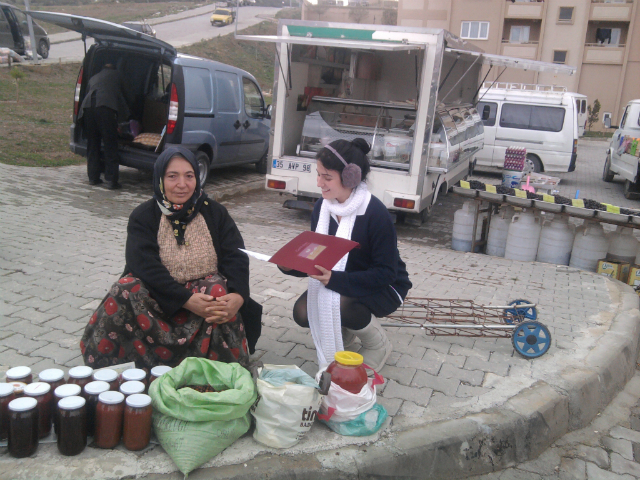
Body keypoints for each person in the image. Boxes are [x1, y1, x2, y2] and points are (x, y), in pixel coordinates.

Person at [80, 146, 262, 370]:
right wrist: (184, 299)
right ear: (159, 179)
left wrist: (239, 296)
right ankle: (117, 373)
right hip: (158, 299)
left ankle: (217, 374)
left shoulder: (214, 213)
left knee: (219, 294)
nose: (182, 184)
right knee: (125, 288)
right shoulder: (144, 216)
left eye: (189, 176)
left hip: (204, 301)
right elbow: (143, 265)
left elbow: (237, 256)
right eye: (172, 176)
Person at [281, 138, 412, 372]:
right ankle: (346, 337)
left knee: (341, 305)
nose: (319, 182)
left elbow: (386, 273)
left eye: (327, 177)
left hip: (385, 285)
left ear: (350, 177)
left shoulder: (375, 213)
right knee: (302, 312)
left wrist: (335, 280)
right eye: (318, 174)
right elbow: (319, 261)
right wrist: (291, 265)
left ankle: (377, 345)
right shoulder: (323, 208)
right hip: (342, 278)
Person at [79, 63, 130, 189]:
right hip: (105, 109)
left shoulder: (95, 77)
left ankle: (93, 177)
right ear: (113, 67)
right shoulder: (117, 75)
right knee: (110, 143)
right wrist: (127, 115)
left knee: (93, 143)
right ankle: (111, 180)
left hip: (88, 109)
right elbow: (126, 95)